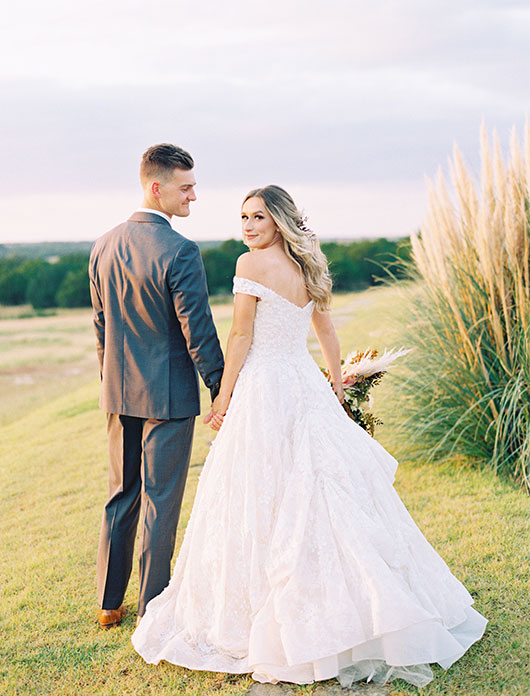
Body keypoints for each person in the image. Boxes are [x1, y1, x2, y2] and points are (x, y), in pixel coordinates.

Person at [132, 185, 486, 687]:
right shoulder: (309, 265)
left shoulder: (250, 265)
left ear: (277, 220)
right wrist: (336, 388)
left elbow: (239, 337)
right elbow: (327, 333)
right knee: (316, 491)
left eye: (257, 217)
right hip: (302, 384)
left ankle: (276, 610)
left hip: (264, 387)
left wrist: (223, 397)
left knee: (264, 491)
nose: (248, 227)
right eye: (243, 218)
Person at [89, 143, 224, 630]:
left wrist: (111, 381)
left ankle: (109, 602)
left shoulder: (103, 244)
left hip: (117, 393)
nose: (193, 196)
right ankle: (152, 607)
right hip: (168, 398)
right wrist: (220, 388)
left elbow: (102, 327)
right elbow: (199, 331)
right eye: (186, 187)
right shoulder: (181, 251)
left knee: (120, 493)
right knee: (160, 501)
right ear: (156, 187)